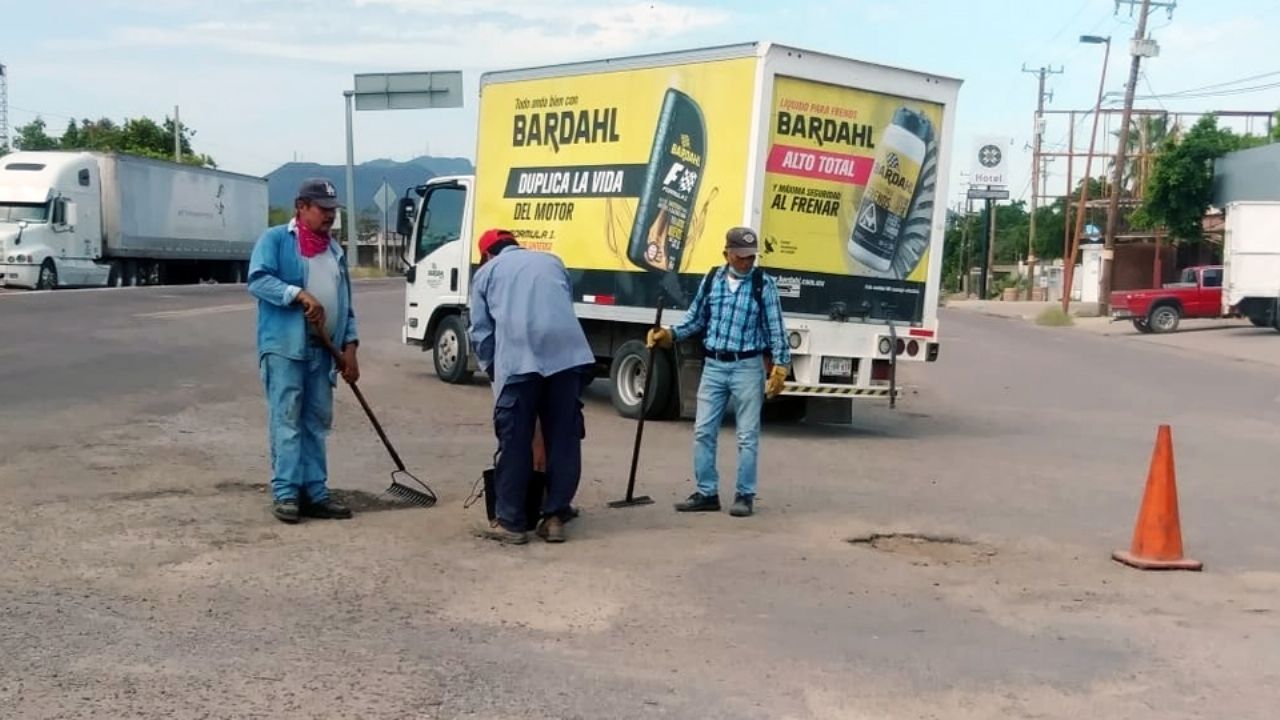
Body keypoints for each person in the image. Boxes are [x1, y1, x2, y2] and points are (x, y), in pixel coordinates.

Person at [646, 226, 790, 517]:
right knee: (703, 431)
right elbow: (696, 319)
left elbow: (776, 328)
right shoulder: (713, 279)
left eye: (750, 257)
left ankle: (744, 495)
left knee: (747, 436)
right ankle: (706, 493)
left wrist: (780, 365)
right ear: (727, 254)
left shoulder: (763, 284)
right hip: (713, 366)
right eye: (740, 257)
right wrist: (670, 334)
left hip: (747, 366)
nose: (746, 262)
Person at [468, 229, 595, 544]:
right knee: (563, 439)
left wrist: (494, 370)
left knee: (515, 441)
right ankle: (554, 518)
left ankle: (511, 523)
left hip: (519, 362)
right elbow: (562, 307)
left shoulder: (487, 273)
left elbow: (481, 332)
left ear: (487, 255)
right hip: (567, 360)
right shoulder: (553, 261)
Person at [248, 178, 359, 524]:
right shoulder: (276, 240)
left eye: (332, 210)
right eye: (322, 209)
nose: (330, 216)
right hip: (285, 348)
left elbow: (346, 305)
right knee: (287, 420)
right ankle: (286, 492)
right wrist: (297, 293)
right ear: (301, 207)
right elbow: (258, 280)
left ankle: (315, 493)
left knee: (316, 422)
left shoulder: (334, 250)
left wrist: (350, 347)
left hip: (323, 352)